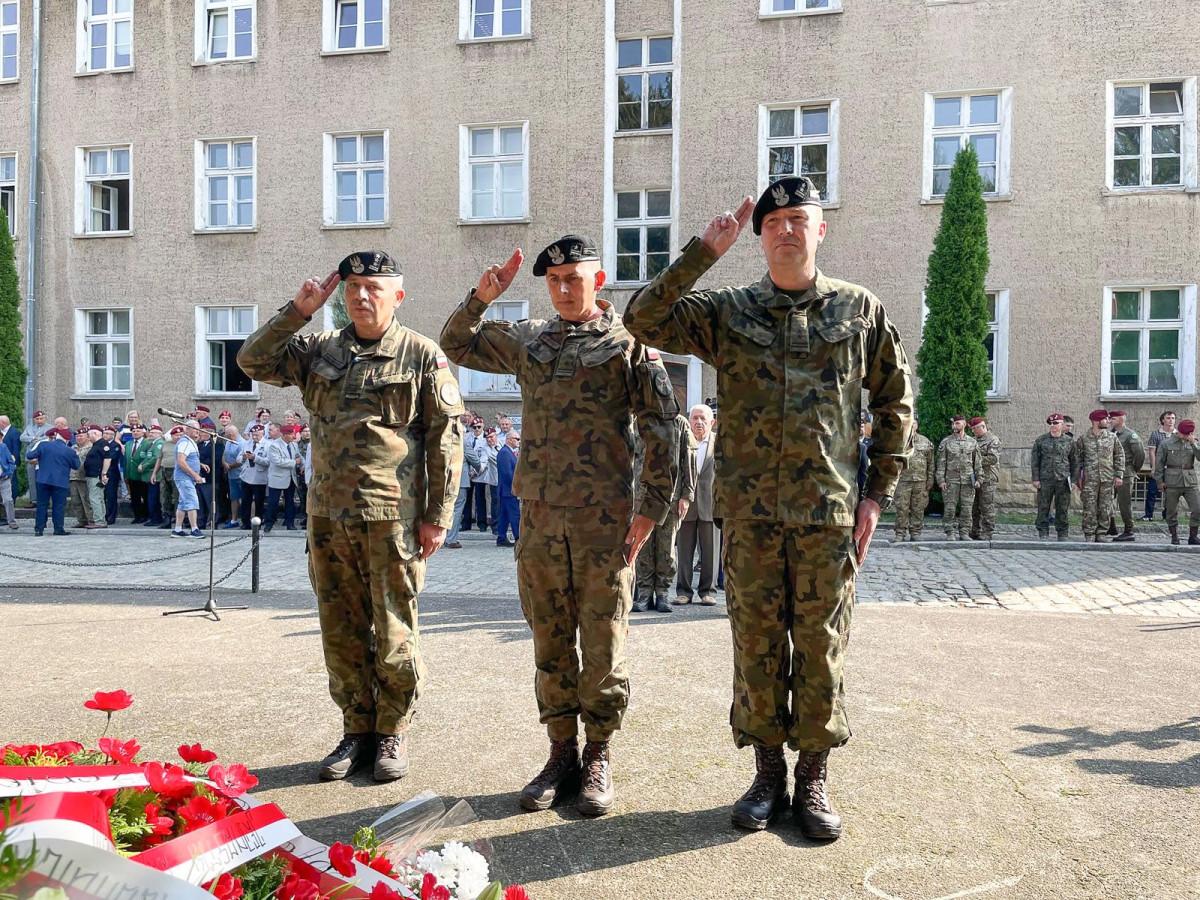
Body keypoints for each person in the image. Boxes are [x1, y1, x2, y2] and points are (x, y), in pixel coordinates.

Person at [623, 177, 913, 840]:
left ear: (820, 228)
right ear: (761, 234)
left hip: (828, 515)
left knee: (820, 646)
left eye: (797, 218)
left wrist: (877, 494)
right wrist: (703, 252)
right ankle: (766, 774)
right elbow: (642, 319)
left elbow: (896, 403)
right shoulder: (728, 310)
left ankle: (812, 778)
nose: (785, 228)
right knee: (755, 645)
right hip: (751, 516)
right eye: (773, 220)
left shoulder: (858, 310)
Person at [442, 234, 678, 818]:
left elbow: (663, 428)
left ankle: (597, 754)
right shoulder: (529, 341)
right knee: (550, 639)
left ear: (598, 281)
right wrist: (483, 296)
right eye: (554, 280)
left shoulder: (630, 344)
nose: (564, 288)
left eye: (575, 277)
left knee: (602, 641)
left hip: (606, 521)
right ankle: (559, 752)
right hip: (541, 520)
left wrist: (651, 508)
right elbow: (456, 342)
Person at [238, 250, 464, 785]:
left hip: (392, 517)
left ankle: (391, 731)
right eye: (353, 287)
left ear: (397, 296)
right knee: (339, 629)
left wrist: (437, 515)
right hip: (327, 516)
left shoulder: (421, 355)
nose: (360, 296)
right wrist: (297, 311)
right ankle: (355, 728)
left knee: (392, 628)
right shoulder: (318, 349)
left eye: (373, 287)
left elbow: (444, 441)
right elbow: (251, 361)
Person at [634, 413, 696, 613]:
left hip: (671, 495)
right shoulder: (640, 420)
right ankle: (644, 593)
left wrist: (687, 495)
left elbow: (689, 458)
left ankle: (662, 592)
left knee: (666, 545)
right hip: (641, 495)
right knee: (642, 544)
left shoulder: (679, 423)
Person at [675, 403, 719, 604]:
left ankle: (707, 592)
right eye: (695, 418)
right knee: (684, 550)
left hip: (711, 504)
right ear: (689, 421)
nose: (699, 422)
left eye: (703, 419)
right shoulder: (682, 442)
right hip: (686, 503)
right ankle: (683, 592)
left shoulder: (719, 444)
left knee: (710, 551)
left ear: (712, 422)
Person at [1075, 410, 1123, 543]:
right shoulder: (1084, 438)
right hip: (1090, 479)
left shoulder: (1112, 437)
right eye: (1105, 419)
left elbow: (1119, 456)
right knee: (1089, 507)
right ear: (1096, 421)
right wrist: (1078, 477)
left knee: (1105, 507)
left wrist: (1119, 474)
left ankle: (1102, 533)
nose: (1108, 421)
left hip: (1107, 478)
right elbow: (1078, 460)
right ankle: (1089, 533)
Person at [1152, 419, 1199, 545]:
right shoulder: (1166, 443)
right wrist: (1159, 481)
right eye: (1185, 433)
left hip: (1190, 482)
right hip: (1172, 482)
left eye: (1189, 433)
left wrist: (1194, 443)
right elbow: (1159, 463)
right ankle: (1174, 536)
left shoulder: (1194, 442)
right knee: (1171, 511)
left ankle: (1193, 536)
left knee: (1198, 508)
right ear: (1180, 431)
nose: (1187, 436)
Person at [26, 428, 80, 536]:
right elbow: (76, 466)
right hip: (60, 481)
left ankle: (39, 529)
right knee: (58, 506)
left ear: (57, 437)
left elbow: (29, 455)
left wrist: (41, 458)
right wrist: (76, 455)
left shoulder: (44, 445)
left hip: (43, 480)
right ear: (67, 440)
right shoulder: (69, 451)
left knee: (42, 505)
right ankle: (58, 529)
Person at [1031, 414, 1076, 541]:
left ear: (1062, 425)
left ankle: (1062, 532)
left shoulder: (1069, 441)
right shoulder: (1041, 440)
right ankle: (1043, 531)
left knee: (1062, 507)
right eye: (1051, 424)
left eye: (1055, 423)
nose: (1053, 426)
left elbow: (1074, 462)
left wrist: (1074, 480)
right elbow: (1035, 461)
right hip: (1045, 479)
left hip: (1063, 479)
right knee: (1043, 506)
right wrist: (1035, 478)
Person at [937, 414, 980, 541]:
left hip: (968, 481)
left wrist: (979, 479)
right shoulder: (946, 442)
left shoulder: (972, 442)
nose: (954, 426)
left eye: (957, 423)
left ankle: (964, 532)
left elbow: (977, 462)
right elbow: (941, 463)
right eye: (953, 424)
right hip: (951, 481)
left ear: (964, 424)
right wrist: (941, 480)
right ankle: (950, 532)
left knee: (967, 508)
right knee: (950, 508)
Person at [894, 414, 934, 542]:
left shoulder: (925, 442)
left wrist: (930, 480)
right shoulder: (899, 440)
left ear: (917, 426)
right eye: (909, 423)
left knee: (918, 508)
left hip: (920, 481)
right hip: (903, 480)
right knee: (902, 508)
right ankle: (900, 533)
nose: (912, 426)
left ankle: (915, 532)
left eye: (914, 423)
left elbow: (931, 463)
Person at [1106, 410, 1144, 542]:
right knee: (1108, 500)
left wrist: (1133, 470)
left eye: (1113, 418)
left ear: (1121, 420)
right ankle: (1111, 526)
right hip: (1110, 471)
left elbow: (1139, 455)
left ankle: (1129, 530)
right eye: (1109, 419)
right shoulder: (1110, 434)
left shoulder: (1130, 435)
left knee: (1124, 502)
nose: (1110, 421)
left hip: (1125, 472)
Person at [261, 423, 301, 533]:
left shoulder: (294, 445)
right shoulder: (274, 445)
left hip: (290, 478)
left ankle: (290, 523)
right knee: (273, 502)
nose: (293, 435)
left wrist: (301, 464)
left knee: (290, 502)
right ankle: (269, 523)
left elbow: (298, 456)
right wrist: (294, 462)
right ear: (284, 435)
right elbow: (277, 461)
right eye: (291, 433)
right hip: (277, 478)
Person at [444, 429, 481, 550]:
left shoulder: (443, 439)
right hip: (459, 480)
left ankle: (443, 537)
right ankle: (451, 539)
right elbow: (474, 459)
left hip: (442, 480)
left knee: (445, 508)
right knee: (456, 509)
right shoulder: (463, 442)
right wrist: (479, 469)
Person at [968, 416, 1002, 541]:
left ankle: (987, 531)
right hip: (974, 477)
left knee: (986, 505)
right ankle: (975, 530)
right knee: (974, 505)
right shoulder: (972, 440)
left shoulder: (993, 440)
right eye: (972, 429)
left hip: (988, 478)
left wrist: (976, 461)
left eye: (975, 429)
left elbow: (993, 458)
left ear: (982, 427)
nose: (973, 432)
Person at [171, 421, 205, 537]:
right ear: (187, 430)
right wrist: (195, 475)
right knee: (192, 501)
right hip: (184, 477)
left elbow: (190, 459)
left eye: (198, 429)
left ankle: (177, 529)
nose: (198, 431)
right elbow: (181, 461)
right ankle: (194, 528)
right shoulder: (185, 442)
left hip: (186, 478)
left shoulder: (190, 442)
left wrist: (200, 465)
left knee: (183, 503)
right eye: (195, 429)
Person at [1143, 411, 1176, 521]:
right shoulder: (1156, 434)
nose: (1170, 420)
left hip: (1173, 469)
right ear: (1163, 420)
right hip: (1159, 468)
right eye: (1168, 418)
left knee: (1171, 494)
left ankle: (1167, 515)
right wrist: (1154, 467)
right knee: (1152, 491)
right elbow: (1152, 451)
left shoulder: (1177, 434)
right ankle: (1148, 515)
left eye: (1172, 418)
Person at [239, 424, 268, 530]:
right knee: (245, 500)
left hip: (259, 477)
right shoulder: (247, 444)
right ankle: (245, 522)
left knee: (259, 501)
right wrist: (243, 458)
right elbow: (239, 458)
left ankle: (258, 522)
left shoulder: (268, 445)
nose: (254, 437)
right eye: (253, 435)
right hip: (246, 476)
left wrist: (255, 458)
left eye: (257, 435)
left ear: (262, 434)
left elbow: (268, 461)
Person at [19, 411, 50, 509]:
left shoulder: (50, 428)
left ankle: (45, 500)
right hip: (30, 457)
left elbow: (47, 439)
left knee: (43, 480)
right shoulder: (29, 427)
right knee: (31, 479)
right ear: (34, 419)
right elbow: (22, 437)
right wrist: (33, 438)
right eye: (37, 419)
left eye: (41, 418)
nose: (39, 421)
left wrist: (38, 439)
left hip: (42, 458)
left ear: (45, 418)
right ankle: (33, 500)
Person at [495, 431, 521, 547]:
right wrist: (517, 487)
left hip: (506, 490)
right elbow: (507, 474)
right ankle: (518, 537)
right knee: (514, 514)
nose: (519, 441)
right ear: (509, 440)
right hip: (508, 490)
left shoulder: (509, 452)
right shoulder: (505, 453)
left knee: (504, 515)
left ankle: (501, 537)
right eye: (517, 439)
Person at [465, 417, 491, 531]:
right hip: (467, 472)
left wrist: (476, 471)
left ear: (483, 426)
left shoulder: (486, 440)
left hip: (480, 472)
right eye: (474, 427)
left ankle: (482, 523)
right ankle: (466, 522)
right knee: (467, 498)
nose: (476, 429)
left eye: (479, 427)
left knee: (480, 498)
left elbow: (485, 458)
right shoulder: (467, 438)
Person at [69, 428, 98, 529]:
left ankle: (91, 520)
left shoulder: (91, 447)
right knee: (76, 500)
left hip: (84, 477)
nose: (79, 438)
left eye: (81, 436)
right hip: (73, 477)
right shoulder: (73, 447)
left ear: (87, 437)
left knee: (86, 500)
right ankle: (81, 520)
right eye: (77, 436)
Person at [80, 426, 108, 529]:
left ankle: (99, 521)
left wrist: (104, 474)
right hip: (92, 475)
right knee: (97, 498)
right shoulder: (96, 445)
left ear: (94, 434)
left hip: (96, 475)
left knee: (95, 498)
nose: (88, 437)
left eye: (89, 435)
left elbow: (107, 459)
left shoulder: (102, 444)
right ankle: (100, 519)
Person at [123, 424, 152, 523]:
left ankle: (146, 515)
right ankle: (137, 516)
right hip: (131, 474)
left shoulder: (148, 443)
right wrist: (126, 474)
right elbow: (127, 460)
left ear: (143, 432)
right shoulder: (128, 444)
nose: (135, 432)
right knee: (135, 497)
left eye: (138, 430)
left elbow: (149, 458)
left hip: (143, 474)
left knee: (145, 495)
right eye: (133, 431)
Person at [151, 427, 179, 529]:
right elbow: (159, 459)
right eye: (176, 435)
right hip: (164, 471)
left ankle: (178, 520)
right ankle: (166, 519)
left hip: (177, 471)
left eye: (180, 435)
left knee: (177, 496)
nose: (178, 437)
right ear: (171, 436)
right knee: (164, 495)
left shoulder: (183, 444)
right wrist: (154, 473)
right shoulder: (165, 444)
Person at [95, 425, 123, 525]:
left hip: (111, 474)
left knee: (111, 497)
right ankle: (103, 516)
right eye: (104, 433)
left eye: (108, 433)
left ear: (113, 435)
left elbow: (112, 457)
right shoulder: (100, 444)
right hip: (100, 473)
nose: (105, 435)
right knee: (102, 496)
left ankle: (111, 517)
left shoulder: (115, 445)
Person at [221, 424, 246, 529]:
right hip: (231, 475)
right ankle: (234, 519)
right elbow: (224, 454)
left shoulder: (242, 443)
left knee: (244, 497)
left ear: (231, 434)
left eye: (226, 434)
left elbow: (242, 460)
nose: (225, 436)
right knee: (233, 497)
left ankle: (246, 519)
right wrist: (224, 463)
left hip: (241, 474)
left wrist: (229, 466)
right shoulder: (228, 442)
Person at [0, 415, 21, 519]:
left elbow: (16, 449)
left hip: (8, 467)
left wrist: (14, 465)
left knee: (9, 491)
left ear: (3, 422)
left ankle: (9, 518)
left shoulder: (14, 432)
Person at [0, 438, 18, 529]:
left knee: (8, 500)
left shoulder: (3, 447)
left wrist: (9, 473)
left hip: (4, 478)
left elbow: (11, 462)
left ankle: (11, 521)